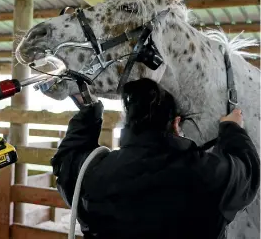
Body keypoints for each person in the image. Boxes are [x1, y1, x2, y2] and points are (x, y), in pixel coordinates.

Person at [51, 78, 260, 239]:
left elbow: (66, 163)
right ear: (176, 123)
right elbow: (248, 169)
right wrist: (232, 128)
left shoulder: (94, 175)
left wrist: (90, 111)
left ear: (128, 125)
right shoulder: (208, 174)